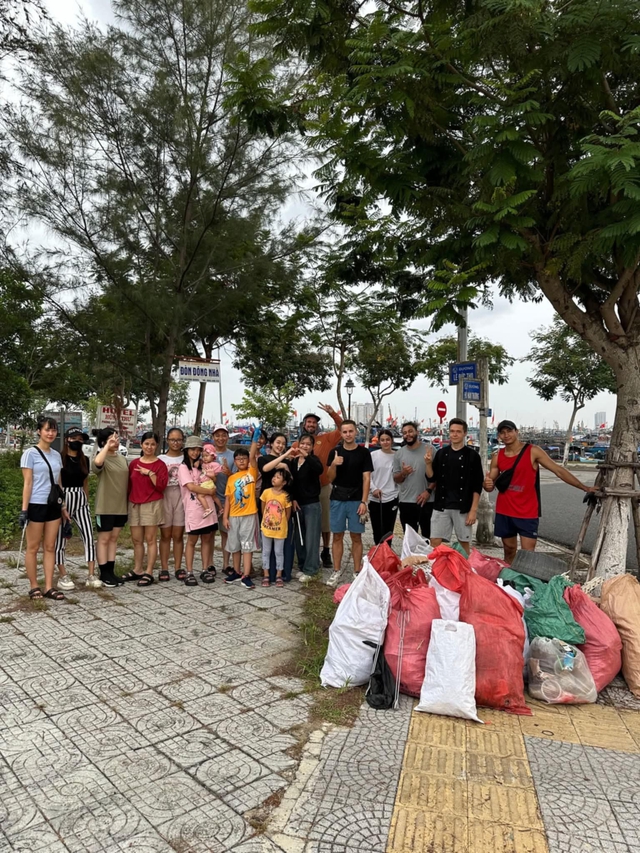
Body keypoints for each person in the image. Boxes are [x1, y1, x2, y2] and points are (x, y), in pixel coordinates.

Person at [484, 420, 598, 563]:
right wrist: (487, 484)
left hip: (527, 511)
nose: (506, 435)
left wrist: (584, 487)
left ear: (516, 432)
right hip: (504, 510)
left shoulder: (533, 451)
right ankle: (508, 582)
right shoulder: (497, 456)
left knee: (528, 555)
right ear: (499, 436)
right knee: (509, 550)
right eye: (502, 432)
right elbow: (490, 484)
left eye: (509, 431)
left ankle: (525, 583)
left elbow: (558, 470)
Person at [19, 415, 66, 601]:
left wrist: (63, 506)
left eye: (53, 430)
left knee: (50, 546)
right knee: (33, 547)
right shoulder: (29, 454)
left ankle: (48, 586)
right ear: (39, 431)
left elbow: (58, 483)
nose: (50, 433)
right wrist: (24, 510)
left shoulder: (56, 455)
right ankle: (34, 586)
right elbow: (27, 483)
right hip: (36, 504)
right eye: (47, 429)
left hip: (53, 505)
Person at [425, 418, 484, 555]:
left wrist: (473, 510)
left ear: (465, 433)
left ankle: (464, 571)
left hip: (463, 507)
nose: (454, 434)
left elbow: (477, 485)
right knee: (434, 542)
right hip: (441, 504)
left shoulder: (472, 456)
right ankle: (437, 571)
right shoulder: (441, 453)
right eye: (452, 431)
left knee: (463, 542)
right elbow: (432, 478)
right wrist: (428, 464)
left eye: (458, 431)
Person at [326, 420, 373, 586]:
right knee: (337, 535)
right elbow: (330, 478)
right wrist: (333, 464)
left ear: (356, 432)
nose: (348, 434)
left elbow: (366, 478)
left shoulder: (363, 453)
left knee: (356, 536)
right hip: (337, 498)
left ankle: (356, 571)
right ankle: (337, 570)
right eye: (344, 432)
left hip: (356, 499)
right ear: (341, 433)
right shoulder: (335, 452)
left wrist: (364, 501)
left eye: (350, 431)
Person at [298, 404, 343, 568]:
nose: (311, 425)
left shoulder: (327, 439)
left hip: (323, 486)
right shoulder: (298, 444)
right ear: (304, 424)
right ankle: (309, 552)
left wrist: (332, 413)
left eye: (314, 423)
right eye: (309, 422)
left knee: (325, 522)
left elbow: (342, 428)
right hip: (304, 490)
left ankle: (325, 549)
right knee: (306, 522)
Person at [55, 427, 98, 588]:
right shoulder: (59, 458)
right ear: (67, 439)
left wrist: (86, 501)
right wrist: (61, 503)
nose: (78, 442)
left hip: (80, 497)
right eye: (74, 438)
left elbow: (85, 482)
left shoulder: (84, 459)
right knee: (60, 538)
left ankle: (91, 574)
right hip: (64, 497)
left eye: (81, 439)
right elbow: (57, 481)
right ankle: (63, 574)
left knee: (88, 534)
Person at [126, 431, 168, 586]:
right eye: (146, 444)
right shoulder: (133, 463)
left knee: (151, 539)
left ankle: (149, 571)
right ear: (141, 444)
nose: (149, 447)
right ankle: (138, 569)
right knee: (137, 540)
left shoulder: (160, 465)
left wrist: (149, 473)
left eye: (152, 444)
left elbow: (162, 486)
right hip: (134, 503)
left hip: (152, 504)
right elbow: (129, 486)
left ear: (156, 446)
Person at [177, 436, 218, 585]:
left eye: (198, 450)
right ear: (186, 450)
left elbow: (213, 480)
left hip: (208, 507)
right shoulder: (183, 468)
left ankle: (205, 569)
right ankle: (189, 571)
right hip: (194, 508)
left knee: (207, 539)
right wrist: (210, 492)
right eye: (192, 449)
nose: (195, 452)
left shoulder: (202, 465)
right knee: (192, 541)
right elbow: (191, 487)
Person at [223, 429, 260, 589]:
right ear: (235, 462)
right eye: (238, 459)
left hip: (249, 515)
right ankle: (237, 571)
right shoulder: (231, 478)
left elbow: (252, 457)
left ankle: (246, 574)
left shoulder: (251, 473)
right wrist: (225, 517)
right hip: (233, 516)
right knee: (235, 545)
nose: (241, 461)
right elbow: (228, 499)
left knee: (247, 545)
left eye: (243, 458)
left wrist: (254, 440)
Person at [92, 427, 129, 587]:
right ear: (103, 442)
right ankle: (103, 573)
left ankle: (111, 572)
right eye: (112, 438)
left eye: (117, 437)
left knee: (114, 539)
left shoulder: (122, 458)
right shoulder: (101, 457)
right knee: (104, 539)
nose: (116, 440)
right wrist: (106, 446)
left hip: (120, 506)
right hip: (105, 506)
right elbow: (97, 464)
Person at [259, 432, 296, 582]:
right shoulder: (264, 459)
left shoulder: (287, 462)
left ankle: (282, 573)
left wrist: (286, 465)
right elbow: (266, 469)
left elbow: (292, 481)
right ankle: (268, 573)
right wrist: (283, 459)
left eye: (283, 443)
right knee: (267, 545)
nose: (280, 445)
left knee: (281, 545)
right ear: (271, 443)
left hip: (283, 504)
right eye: (277, 442)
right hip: (267, 504)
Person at [289, 433, 323, 582]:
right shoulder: (293, 462)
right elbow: (292, 483)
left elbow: (319, 470)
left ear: (312, 447)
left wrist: (307, 456)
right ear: (298, 443)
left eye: (308, 444)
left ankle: (311, 569)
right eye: (302, 443)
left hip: (312, 504)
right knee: (300, 537)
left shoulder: (313, 460)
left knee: (311, 537)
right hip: (298, 503)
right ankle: (303, 565)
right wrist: (293, 498)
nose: (304, 446)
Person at [393, 421, 435, 538]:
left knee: (429, 537)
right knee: (410, 539)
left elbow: (438, 476)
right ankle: (411, 557)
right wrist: (404, 473)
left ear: (417, 432)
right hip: (406, 502)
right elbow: (396, 479)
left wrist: (428, 491)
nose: (408, 435)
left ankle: (428, 557)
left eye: (410, 431)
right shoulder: (399, 454)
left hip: (428, 501)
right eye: (405, 433)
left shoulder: (430, 450)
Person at [158, 427, 187, 581]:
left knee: (178, 535)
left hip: (182, 497)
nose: (175, 443)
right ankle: (163, 568)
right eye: (172, 439)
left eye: (178, 440)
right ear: (167, 440)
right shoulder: (161, 459)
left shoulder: (186, 458)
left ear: (183, 441)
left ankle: (177, 567)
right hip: (164, 496)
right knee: (165, 534)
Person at [260, 468, 293, 588]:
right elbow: (263, 508)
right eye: (274, 476)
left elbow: (288, 514)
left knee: (279, 552)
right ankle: (266, 574)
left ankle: (279, 574)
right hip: (266, 528)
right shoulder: (266, 492)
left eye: (278, 477)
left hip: (280, 530)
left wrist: (281, 523)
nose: (274, 478)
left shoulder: (285, 496)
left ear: (284, 482)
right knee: (266, 552)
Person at [211, 424, 236, 575]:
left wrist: (228, 474)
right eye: (217, 435)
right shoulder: (206, 453)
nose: (220, 438)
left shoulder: (233, 455)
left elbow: (238, 478)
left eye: (223, 435)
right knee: (208, 534)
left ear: (227, 437)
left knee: (226, 533)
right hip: (209, 498)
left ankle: (226, 564)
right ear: (213, 437)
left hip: (227, 500)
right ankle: (209, 564)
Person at [368, 428, 399, 544]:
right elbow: (368, 476)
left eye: (387, 439)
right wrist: (374, 488)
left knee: (388, 531)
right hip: (376, 497)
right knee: (377, 531)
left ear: (392, 441)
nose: (385, 442)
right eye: (382, 440)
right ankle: (378, 556)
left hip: (392, 497)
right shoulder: (373, 455)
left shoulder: (397, 456)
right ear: (379, 442)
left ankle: (387, 556)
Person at [194, 443, 222, 517]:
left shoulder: (214, 464)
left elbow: (220, 468)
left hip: (207, 483)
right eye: (203, 456)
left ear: (213, 456)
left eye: (207, 456)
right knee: (214, 497)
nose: (204, 458)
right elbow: (196, 464)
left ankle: (207, 509)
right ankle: (221, 508)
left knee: (200, 496)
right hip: (210, 483)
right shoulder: (203, 463)